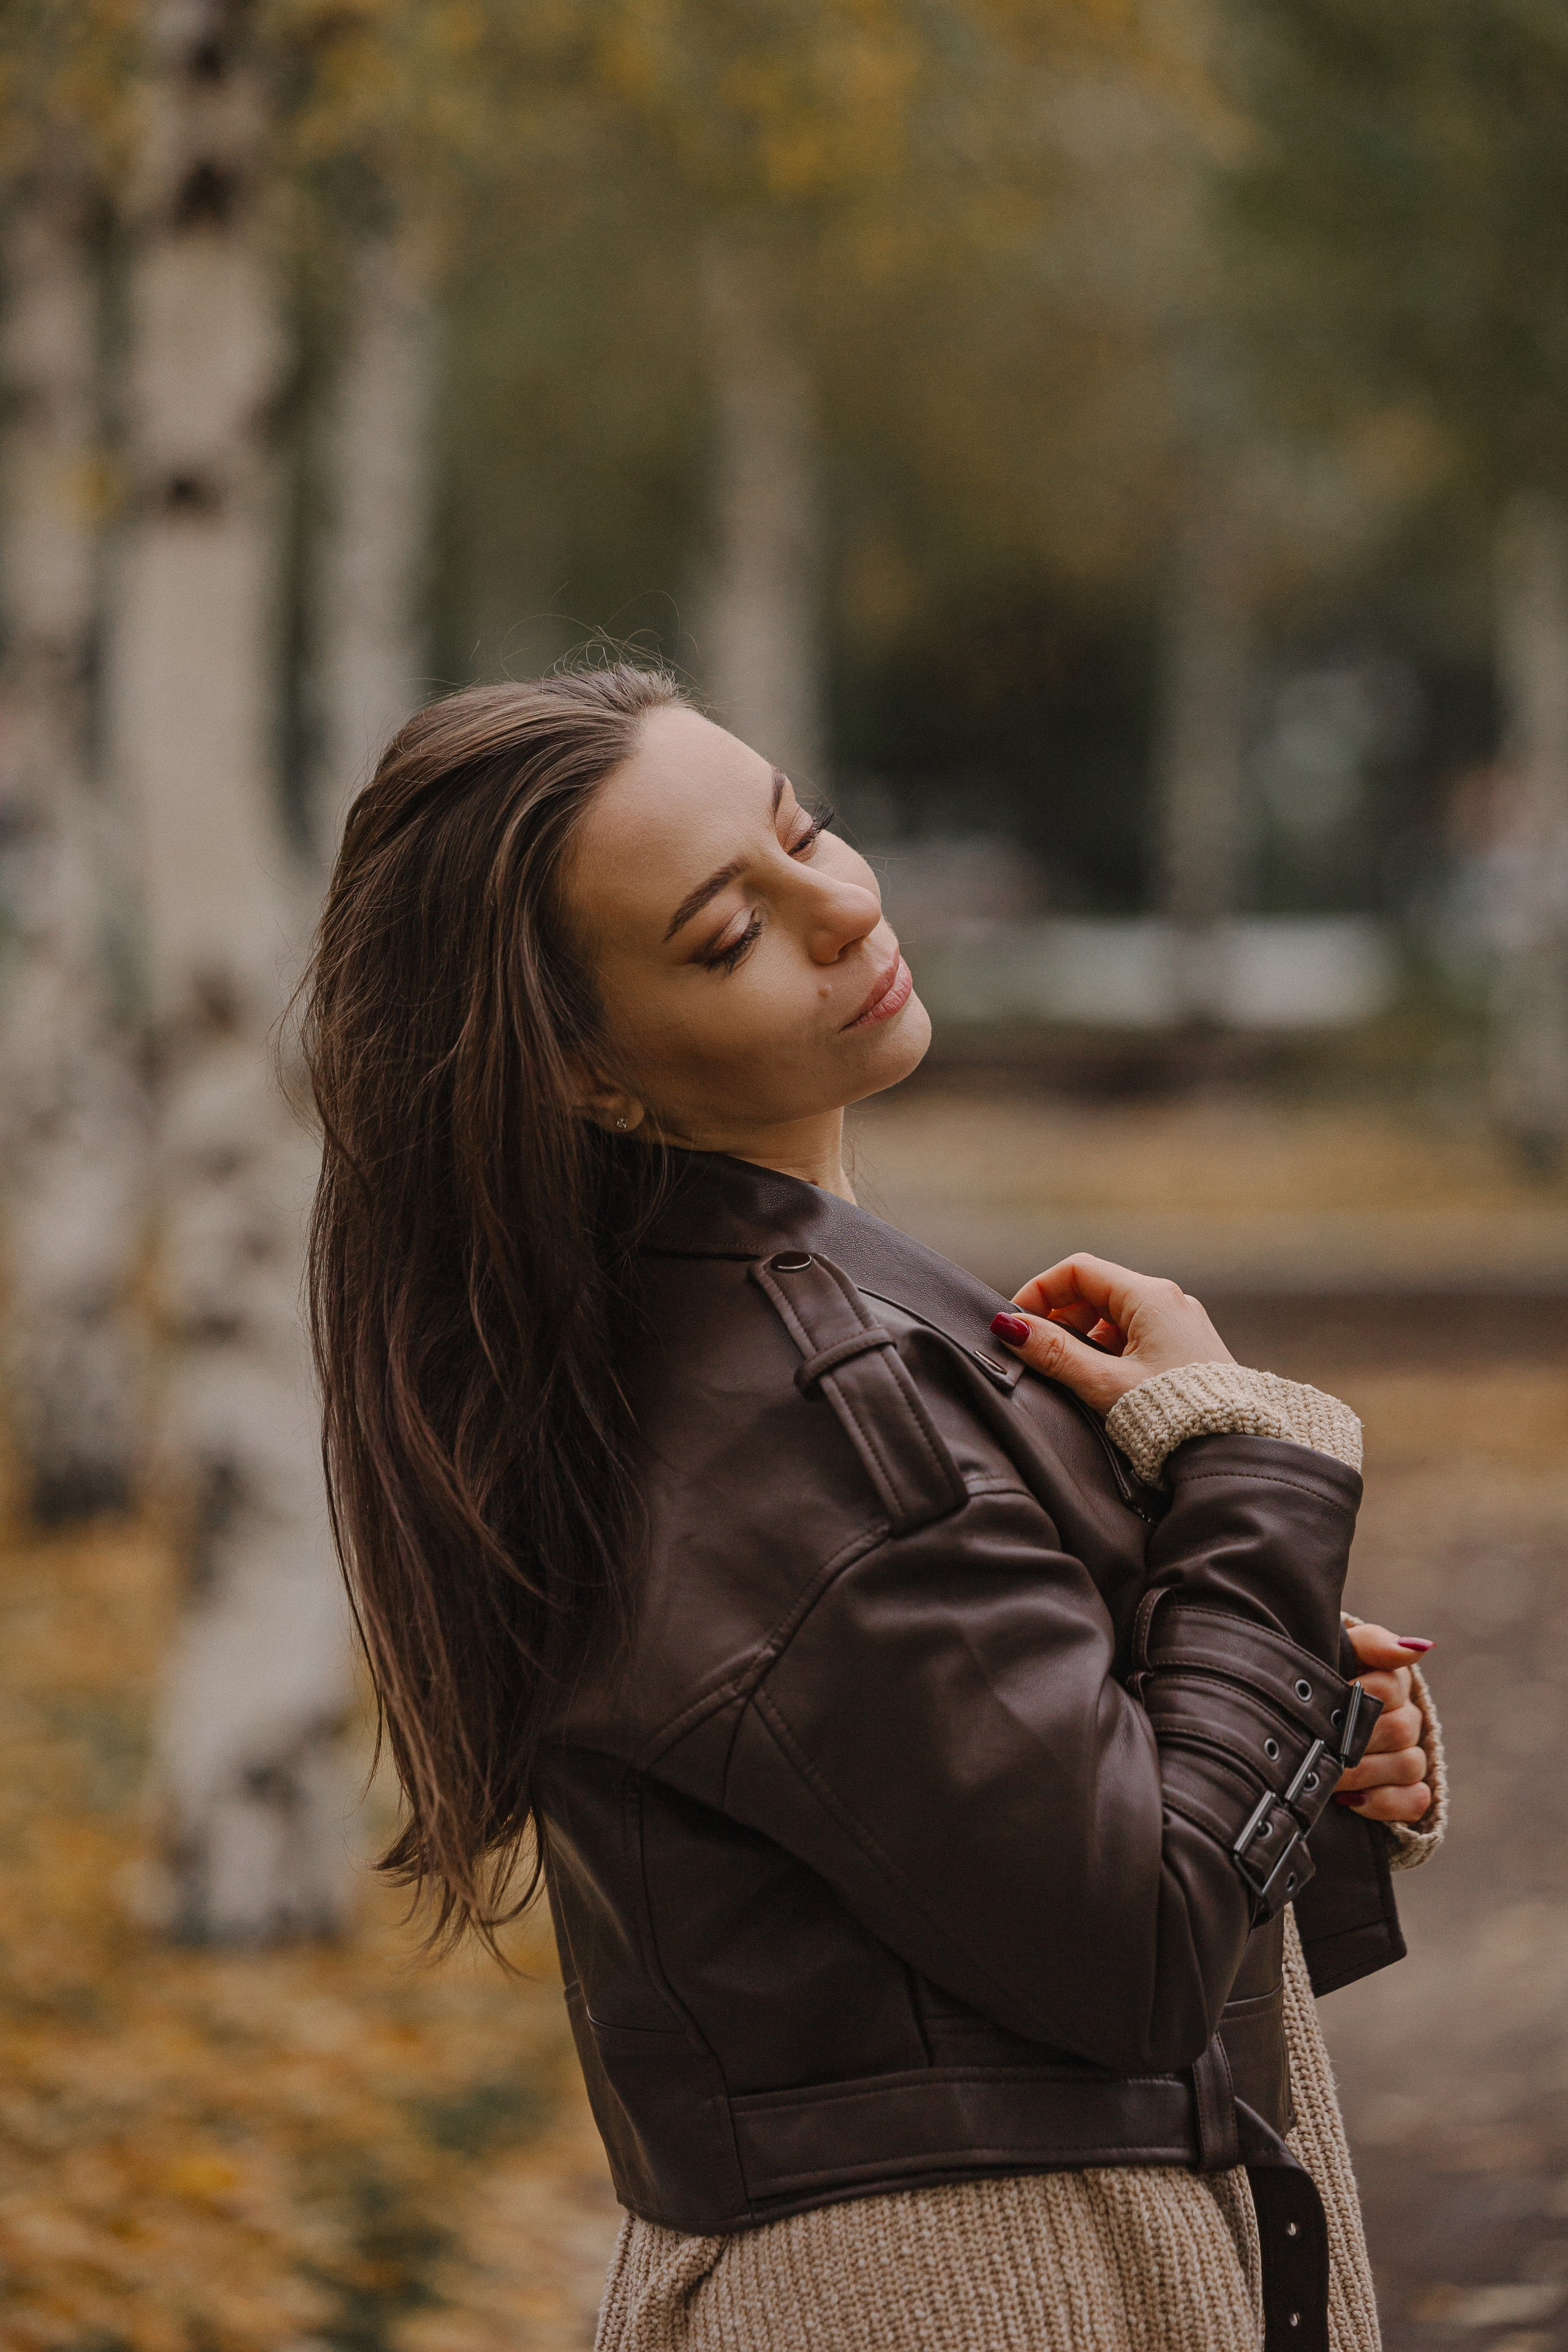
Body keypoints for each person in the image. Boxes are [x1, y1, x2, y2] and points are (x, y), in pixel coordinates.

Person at [301, 665, 1446, 2352]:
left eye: (802, 830)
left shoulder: (718, 1347)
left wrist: (1289, 1710)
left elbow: (960, 1862)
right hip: (985, 2293)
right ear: (586, 1075)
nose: (840, 906)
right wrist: (1242, 1468)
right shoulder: (812, 1406)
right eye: (724, 935)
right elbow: (1136, 1945)